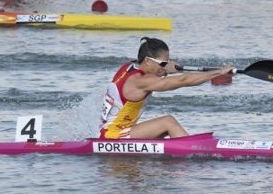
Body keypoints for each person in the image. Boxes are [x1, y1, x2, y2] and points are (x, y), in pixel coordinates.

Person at [99, 37, 234, 140]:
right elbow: (183, 80)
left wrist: (164, 70)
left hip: (115, 132)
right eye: (163, 63)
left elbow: (154, 73)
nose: (165, 65)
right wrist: (219, 72)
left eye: (167, 62)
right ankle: (192, 156)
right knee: (167, 122)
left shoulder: (129, 67)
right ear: (147, 61)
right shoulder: (141, 81)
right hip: (113, 136)